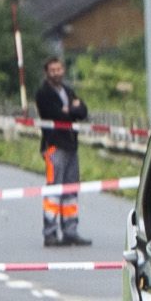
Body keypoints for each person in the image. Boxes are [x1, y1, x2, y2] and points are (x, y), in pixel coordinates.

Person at [36, 55, 91, 248]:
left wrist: (72, 109)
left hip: (71, 146)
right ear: (47, 72)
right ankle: (50, 233)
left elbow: (83, 111)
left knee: (70, 190)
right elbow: (55, 114)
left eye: (59, 69)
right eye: (53, 70)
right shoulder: (43, 93)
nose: (57, 73)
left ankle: (70, 231)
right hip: (54, 146)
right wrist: (69, 110)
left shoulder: (67, 90)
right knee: (53, 190)